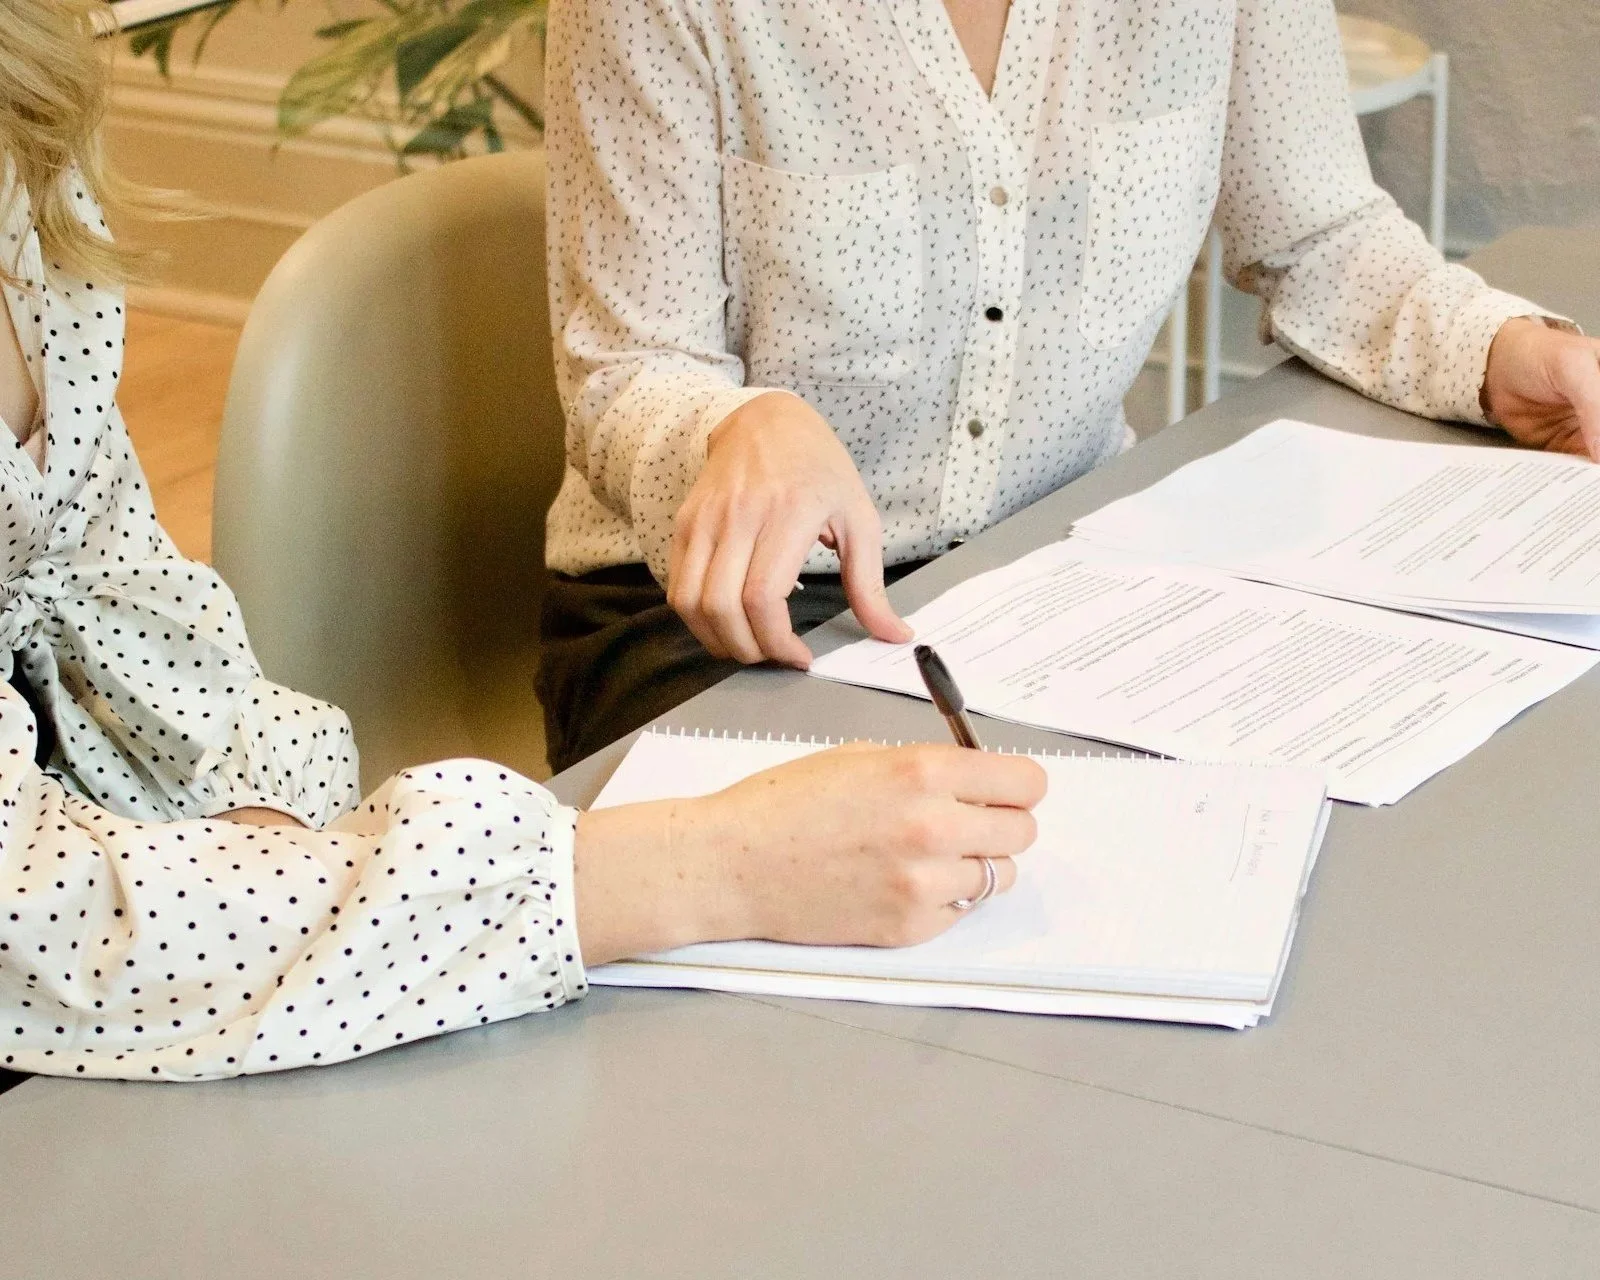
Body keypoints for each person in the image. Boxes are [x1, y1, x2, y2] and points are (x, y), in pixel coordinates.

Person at [0, 0, 1045, 1087]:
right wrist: (717, 865)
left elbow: (118, 594)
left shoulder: (31, 126)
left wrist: (263, 842)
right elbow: (40, 925)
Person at [538, 0, 1600, 772]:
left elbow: (1317, 233)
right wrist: (738, 428)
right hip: (726, 615)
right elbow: (627, 367)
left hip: (1056, 577)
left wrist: (1494, 347)